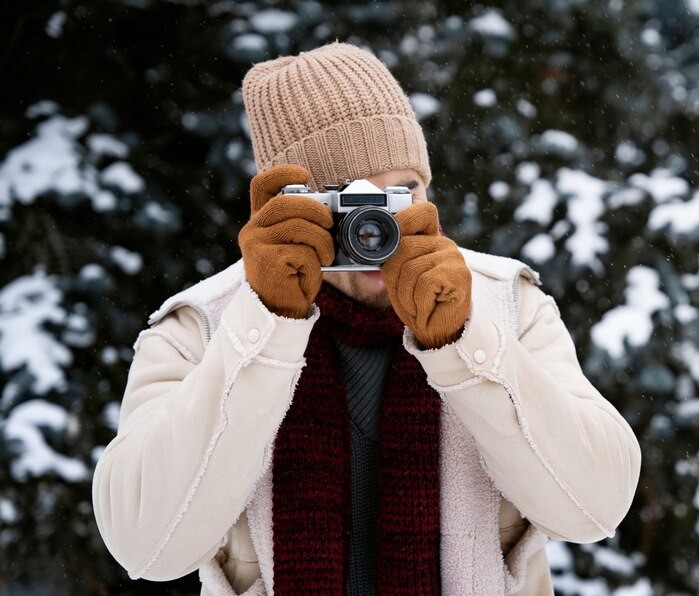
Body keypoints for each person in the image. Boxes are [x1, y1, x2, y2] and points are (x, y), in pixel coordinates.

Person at [92, 42, 641, 595]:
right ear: (293, 206)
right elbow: (147, 548)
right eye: (349, 200)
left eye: (402, 191)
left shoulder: (504, 304)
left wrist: (463, 341)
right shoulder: (204, 325)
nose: (379, 225)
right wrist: (267, 327)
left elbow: (595, 510)